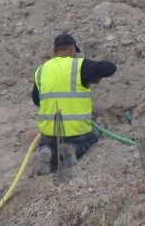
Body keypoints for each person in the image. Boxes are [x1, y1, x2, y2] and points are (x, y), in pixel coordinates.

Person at [32, 32, 116, 175]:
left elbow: (36, 99)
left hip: (49, 134)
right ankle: (74, 149)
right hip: (77, 133)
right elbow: (110, 68)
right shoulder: (79, 66)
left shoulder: (41, 70)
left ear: (54, 51)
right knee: (94, 138)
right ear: (72, 49)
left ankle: (45, 151)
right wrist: (91, 73)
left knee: (45, 144)